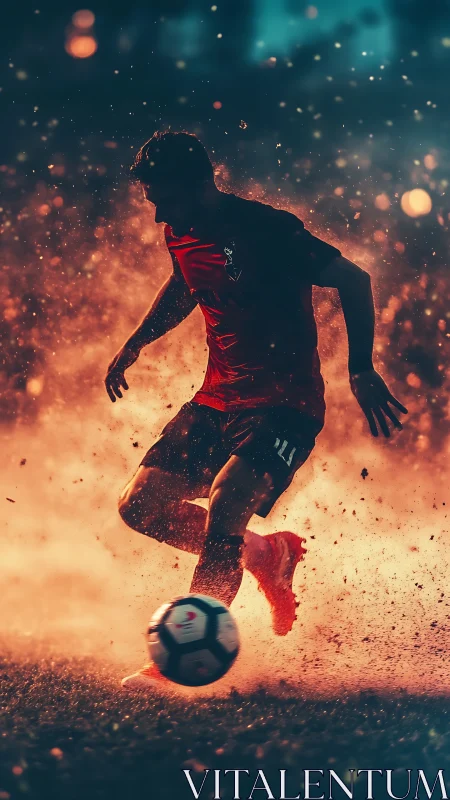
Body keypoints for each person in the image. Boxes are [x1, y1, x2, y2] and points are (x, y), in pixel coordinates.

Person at [105, 130, 407, 690]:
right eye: (151, 201)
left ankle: (183, 658)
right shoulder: (180, 230)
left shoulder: (268, 230)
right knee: (139, 506)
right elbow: (184, 284)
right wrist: (136, 341)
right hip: (218, 397)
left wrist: (360, 368)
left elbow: (354, 278)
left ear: (199, 184)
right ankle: (264, 553)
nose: (157, 216)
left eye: (163, 199)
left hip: (285, 406)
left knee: (226, 501)